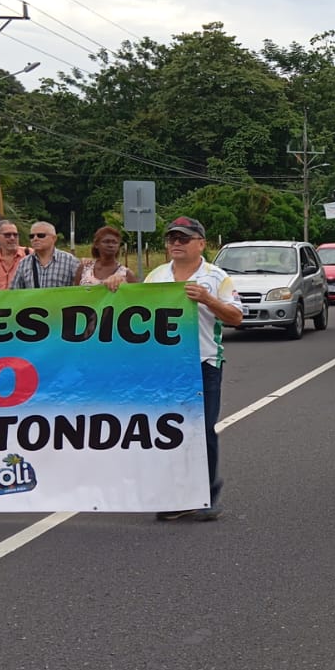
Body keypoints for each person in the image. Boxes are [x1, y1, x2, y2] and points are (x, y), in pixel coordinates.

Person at [143, 216, 243, 522]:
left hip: (203, 362)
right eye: (171, 238)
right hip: (165, 366)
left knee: (202, 430)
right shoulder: (156, 276)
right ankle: (175, 496)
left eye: (183, 238)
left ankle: (206, 495)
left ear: (201, 243)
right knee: (167, 431)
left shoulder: (216, 277)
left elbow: (236, 317)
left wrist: (208, 299)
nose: (176, 243)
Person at [9, 221, 80, 289]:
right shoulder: (24, 263)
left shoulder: (70, 261)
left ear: (54, 238)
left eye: (41, 235)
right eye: (32, 236)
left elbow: (81, 290)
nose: (35, 239)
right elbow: (15, 292)